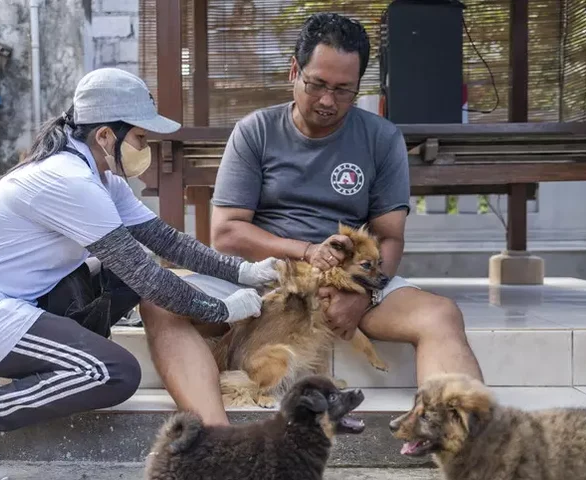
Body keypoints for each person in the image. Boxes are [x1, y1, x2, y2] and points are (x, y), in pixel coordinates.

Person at [0, 68, 280, 480]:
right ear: (105, 136)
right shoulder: (66, 180)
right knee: (112, 372)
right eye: (140, 137)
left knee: (123, 277)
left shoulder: (102, 178)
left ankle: (34, 367)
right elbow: (148, 278)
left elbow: (166, 242)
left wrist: (244, 270)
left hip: (20, 304)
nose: (145, 147)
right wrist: (221, 308)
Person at [140, 12, 484, 427]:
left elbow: (390, 237)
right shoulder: (255, 131)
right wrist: (306, 252)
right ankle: (218, 440)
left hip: (344, 283)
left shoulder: (380, 138)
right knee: (159, 302)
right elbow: (227, 233)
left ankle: (463, 447)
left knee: (441, 315)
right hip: (261, 280)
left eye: (343, 91)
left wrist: (363, 294)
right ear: (294, 70)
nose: (327, 101)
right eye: (317, 84)